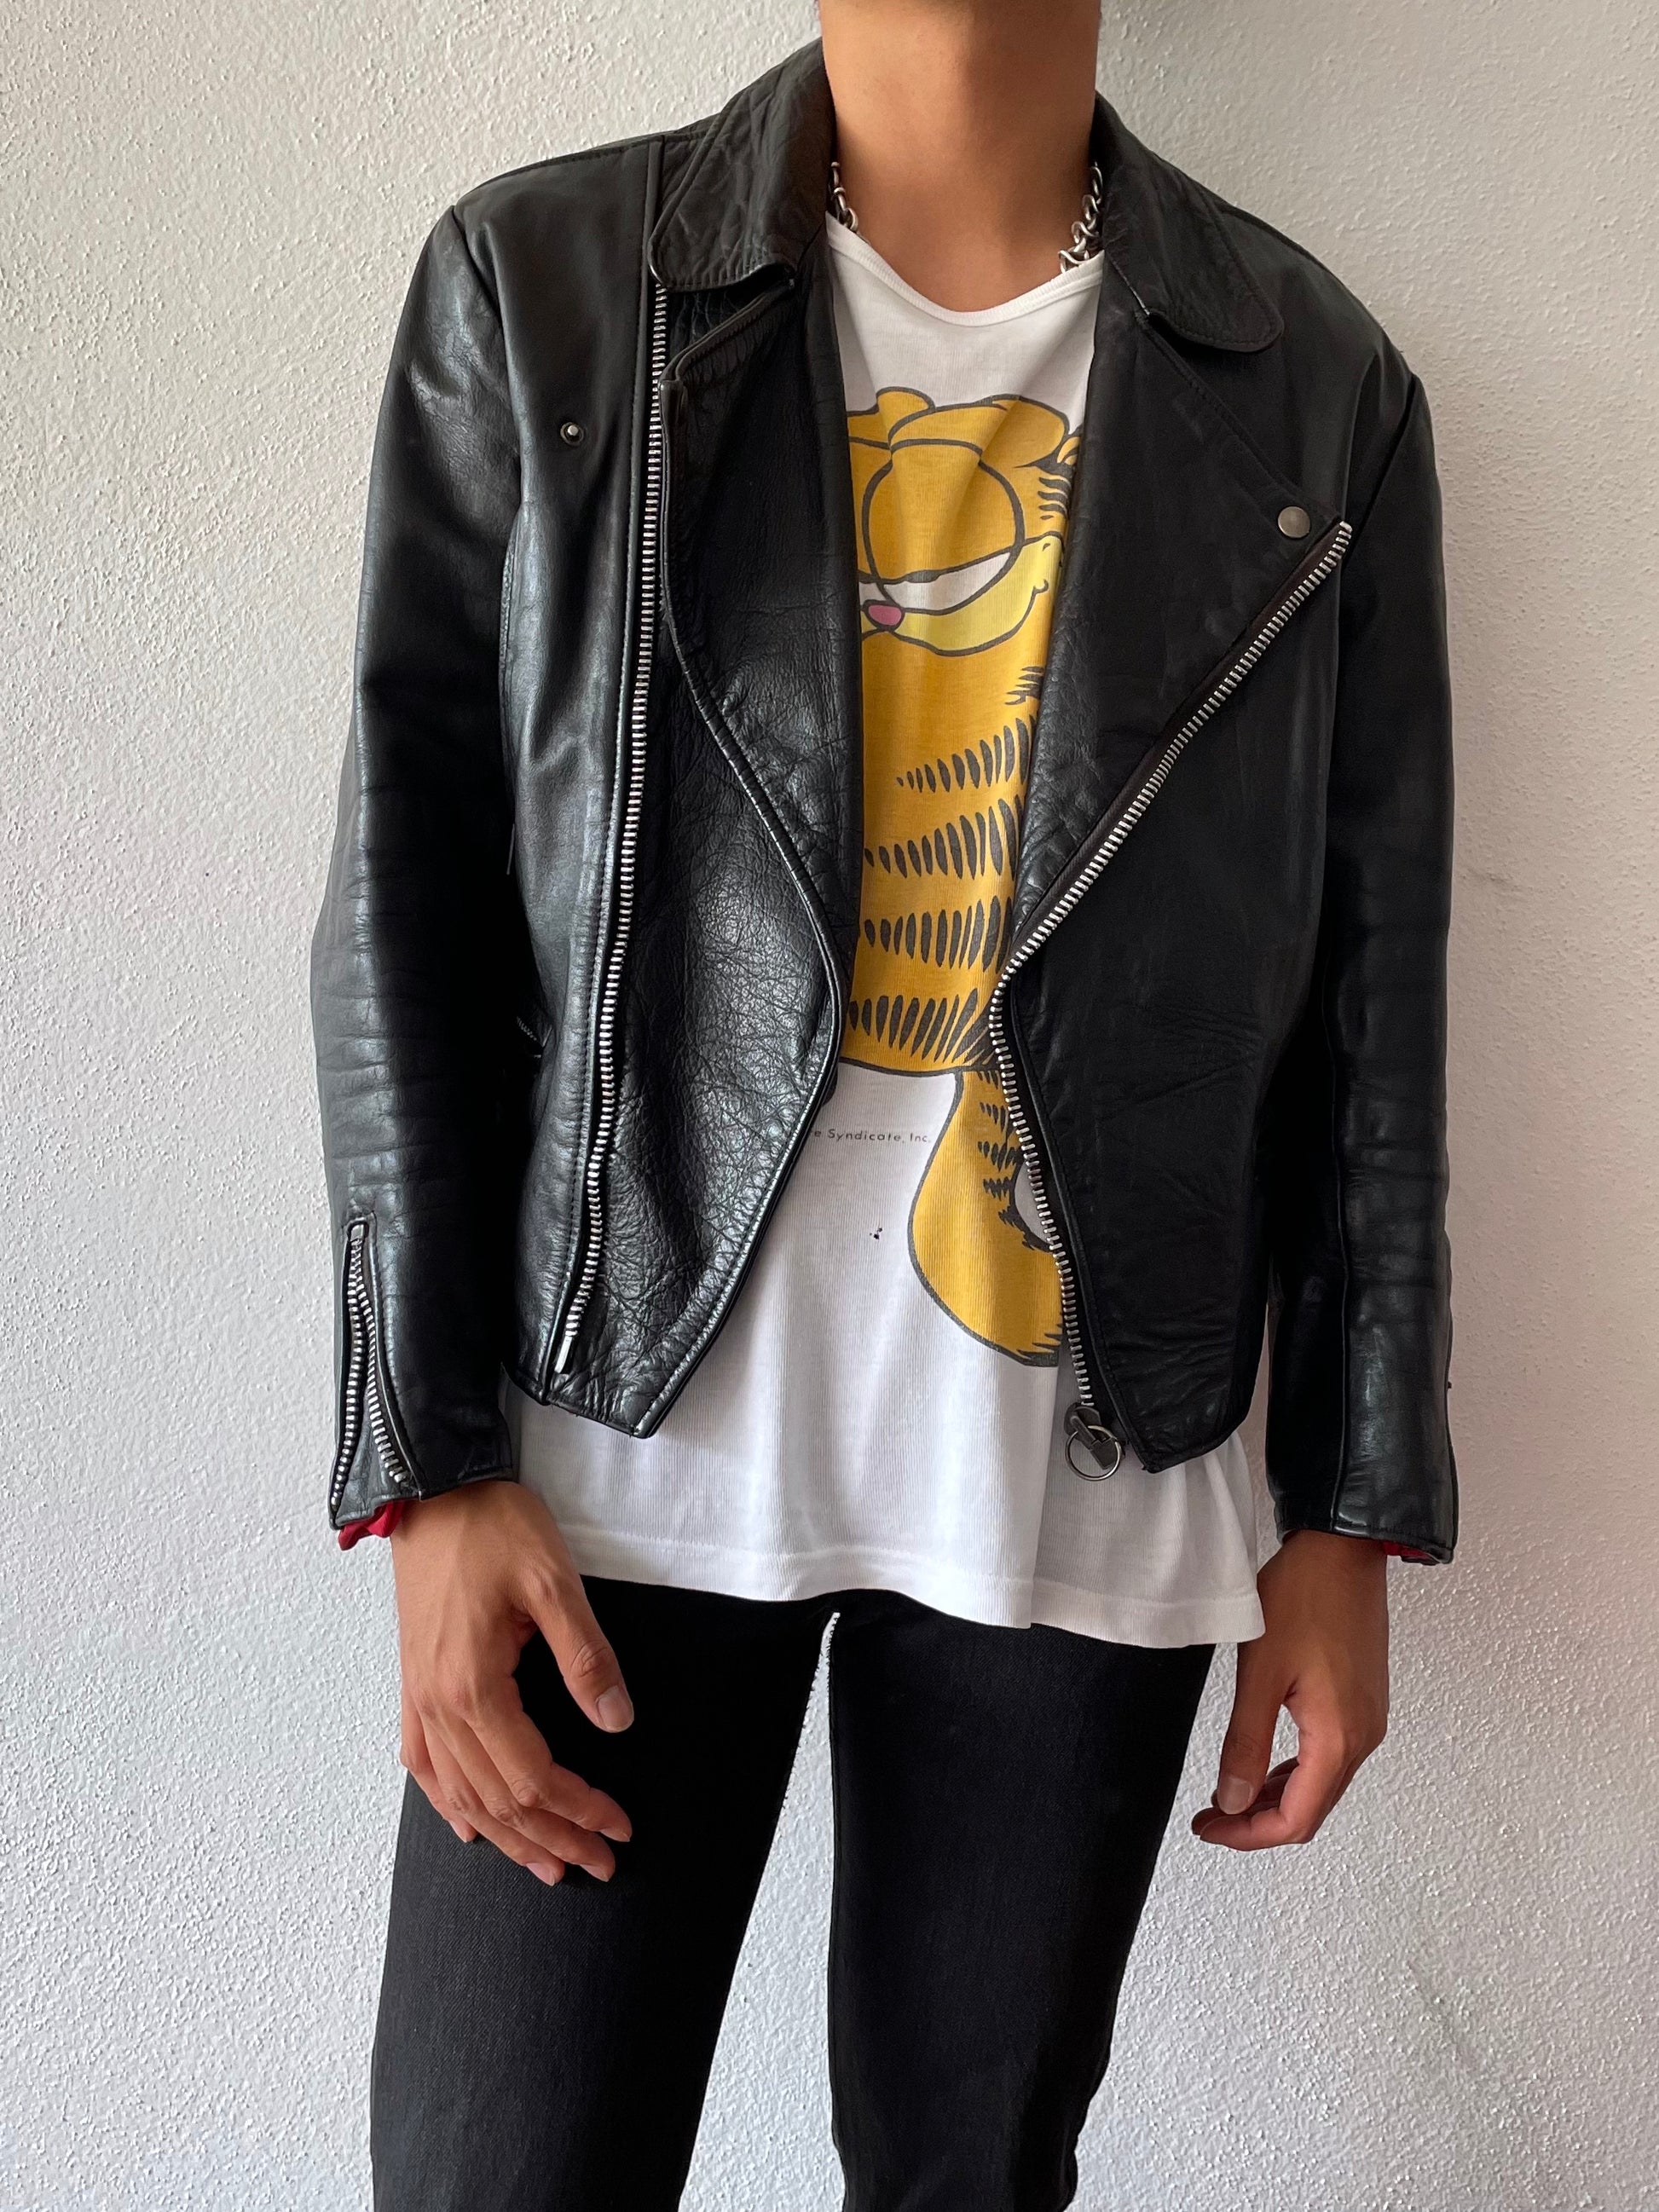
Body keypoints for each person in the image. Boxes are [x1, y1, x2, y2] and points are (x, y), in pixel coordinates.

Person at [310, 4, 1457, 2204]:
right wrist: (424, 1465)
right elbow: (407, 901)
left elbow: (1370, 991)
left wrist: (1348, 1506)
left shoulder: (1310, 376)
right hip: (602, 1434)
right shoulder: (550, 284)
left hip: (1084, 1433)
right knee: (498, 2173)